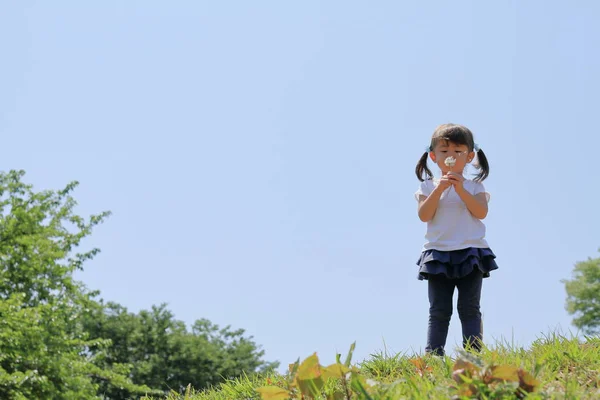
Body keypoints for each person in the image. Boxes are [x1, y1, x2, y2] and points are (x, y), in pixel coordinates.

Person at [414, 123, 498, 357]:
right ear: (433, 156)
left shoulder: (474, 186)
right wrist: (439, 190)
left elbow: (480, 212)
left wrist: (460, 189)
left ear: (470, 156)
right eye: (444, 151)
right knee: (439, 309)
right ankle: (433, 356)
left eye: (458, 152)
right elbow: (424, 215)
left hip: (471, 252)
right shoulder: (427, 186)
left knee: (469, 307)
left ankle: (473, 355)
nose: (451, 157)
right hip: (438, 254)